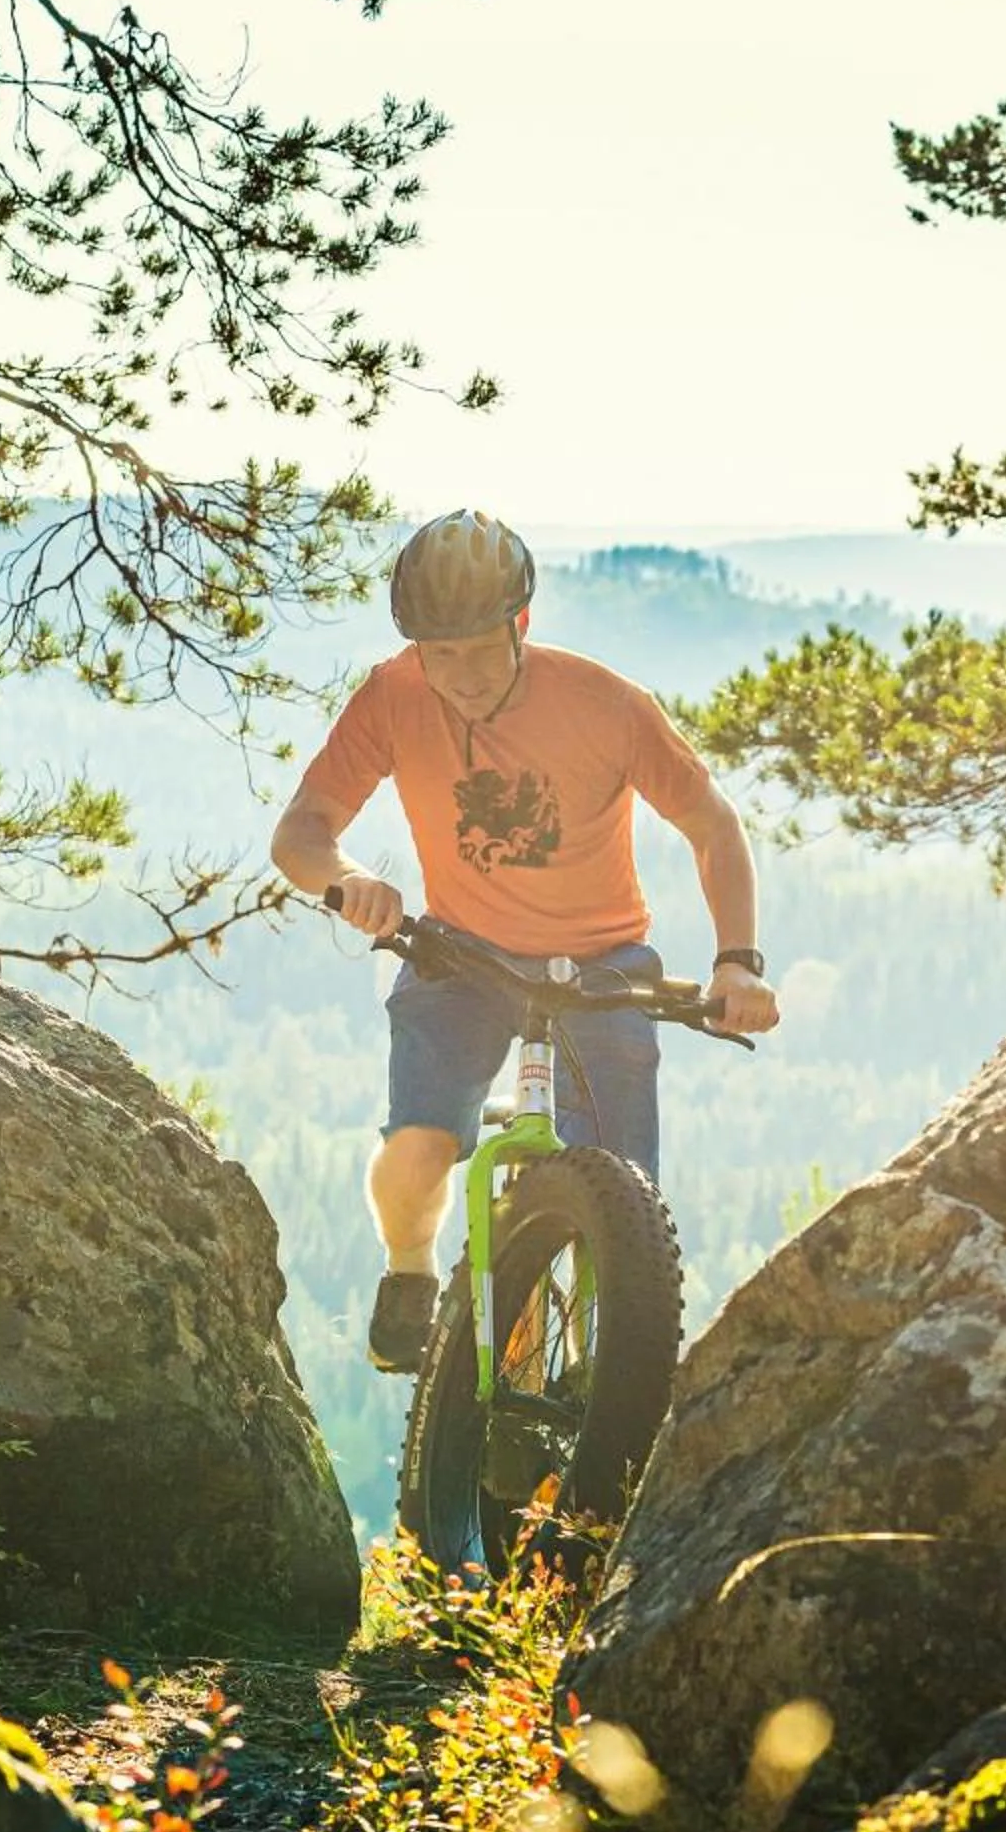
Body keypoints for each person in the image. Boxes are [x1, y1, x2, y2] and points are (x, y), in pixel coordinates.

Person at [270, 508, 782, 1374]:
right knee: (419, 1150)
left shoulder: (606, 704)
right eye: (441, 654)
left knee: (619, 1192)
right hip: (460, 955)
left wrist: (738, 960)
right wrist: (346, 878)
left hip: (603, 965)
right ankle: (410, 1269)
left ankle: (599, 1369)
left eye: (478, 649)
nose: (460, 676)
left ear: (522, 625)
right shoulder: (394, 696)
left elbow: (712, 826)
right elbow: (303, 832)